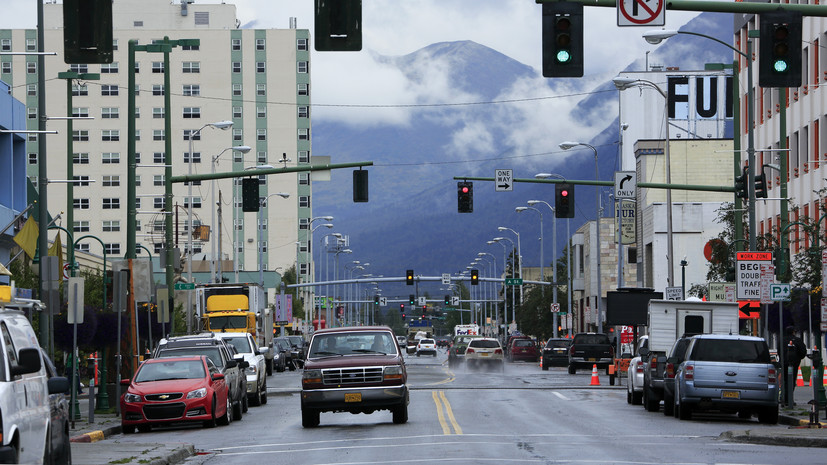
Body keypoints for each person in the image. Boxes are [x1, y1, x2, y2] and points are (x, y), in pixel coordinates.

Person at [783, 326, 807, 406]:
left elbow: (779, 350)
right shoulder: (797, 340)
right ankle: (789, 399)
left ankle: (785, 398)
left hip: (784, 363)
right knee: (792, 381)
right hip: (794, 363)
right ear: (793, 332)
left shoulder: (782, 340)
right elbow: (803, 351)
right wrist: (798, 358)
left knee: (785, 380)